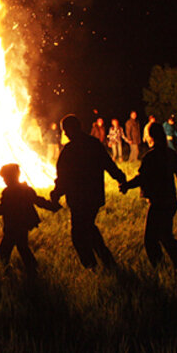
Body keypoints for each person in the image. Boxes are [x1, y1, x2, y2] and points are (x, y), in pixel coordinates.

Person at [51, 114, 127, 269]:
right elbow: (108, 164)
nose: (65, 133)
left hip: (79, 198)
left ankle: (91, 266)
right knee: (89, 227)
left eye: (65, 130)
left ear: (72, 129)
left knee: (78, 234)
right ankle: (107, 262)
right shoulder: (94, 144)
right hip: (94, 196)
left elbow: (64, 176)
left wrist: (56, 194)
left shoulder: (70, 151)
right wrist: (120, 178)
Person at [121, 125, 177, 271]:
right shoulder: (170, 154)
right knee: (165, 236)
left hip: (158, 202)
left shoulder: (151, 156)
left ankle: (164, 268)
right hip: (170, 201)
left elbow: (142, 178)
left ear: (150, 136)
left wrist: (127, 185)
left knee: (152, 239)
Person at [0, 163, 60, 275]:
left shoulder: (8, 192)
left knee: (4, 251)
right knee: (22, 247)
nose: (4, 181)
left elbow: (3, 208)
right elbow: (39, 201)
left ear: (12, 177)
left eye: (5, 178)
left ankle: (7, 272)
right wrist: (52, 206)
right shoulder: (26, 190)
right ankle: (33, 269)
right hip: (23, 225)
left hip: (13, 226)